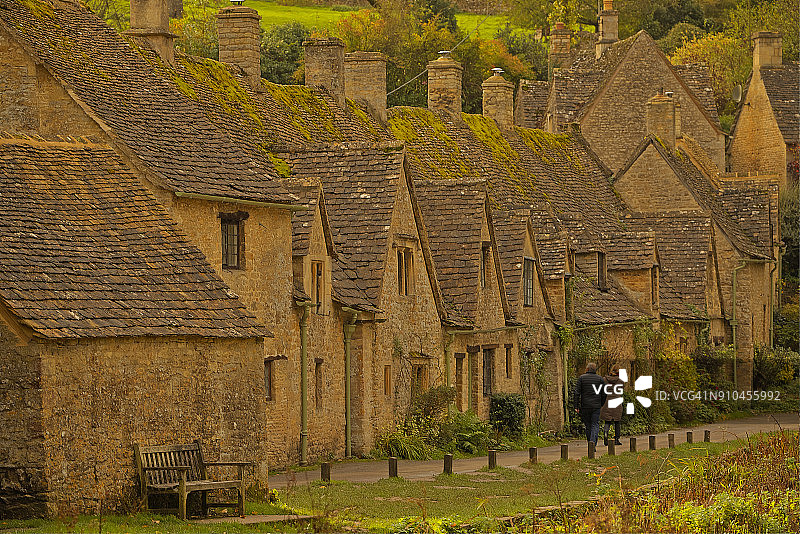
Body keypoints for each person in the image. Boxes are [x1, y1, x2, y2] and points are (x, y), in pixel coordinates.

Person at [573, 362, 606, 445]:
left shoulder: (581, 378)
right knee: (595, 424)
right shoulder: (600, 379)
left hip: (585, 405)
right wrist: (601, 403)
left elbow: (577, 393)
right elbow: (604, 393)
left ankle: (590, 442)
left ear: (587, 369)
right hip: (596, 406)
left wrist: (576, 406)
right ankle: (593, 443)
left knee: (588, 425)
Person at [601, 367, 624, 446]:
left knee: (607, 421)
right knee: (617, 422)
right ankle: (616, 439)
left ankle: (605, 433)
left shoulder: (604, 380)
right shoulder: (620, 381)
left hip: (607, 402)